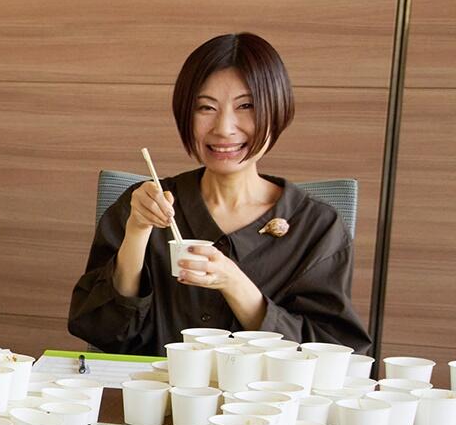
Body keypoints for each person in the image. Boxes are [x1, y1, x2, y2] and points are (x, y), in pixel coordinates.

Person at [69, 33, 372, 354]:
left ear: (278, 109)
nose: (224, 128)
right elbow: (101, 331)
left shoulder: (316, 226)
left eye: (246, 106)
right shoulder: (145, 202)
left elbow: (336, 355)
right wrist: (136, 232)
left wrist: (234, 283)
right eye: (206, 107)